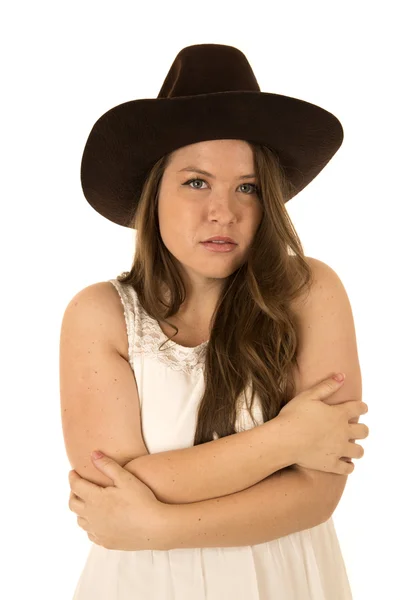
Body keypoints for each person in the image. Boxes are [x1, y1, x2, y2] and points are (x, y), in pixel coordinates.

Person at [62, 43, 367, 599]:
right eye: (196, 182)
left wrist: (158, 525)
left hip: (289, 582)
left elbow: (318, 494)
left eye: (246, 187)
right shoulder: (100, 315)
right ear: (155, 194)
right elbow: (111, 489)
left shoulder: (309, 292)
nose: (223, 211)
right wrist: (288, 439)